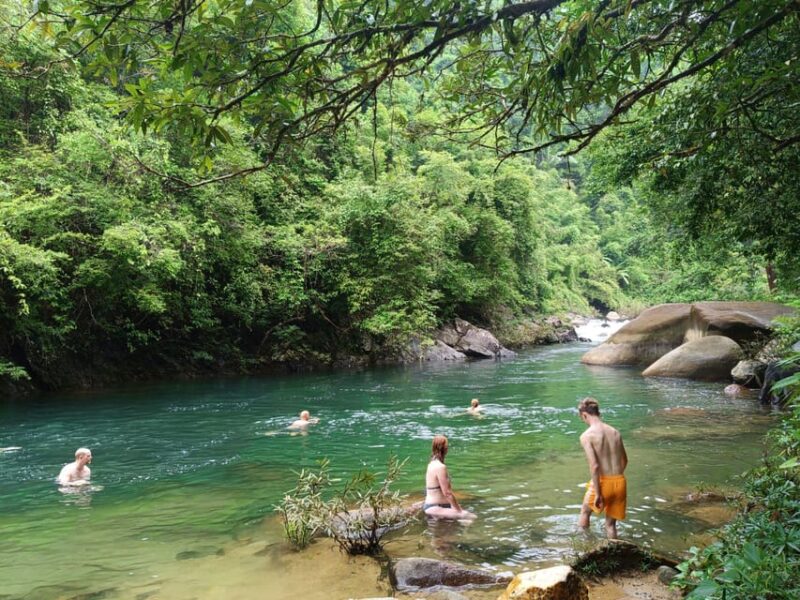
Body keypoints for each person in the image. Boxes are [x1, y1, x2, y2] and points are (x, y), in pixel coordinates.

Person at [577, 397, 628, 539]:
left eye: (583, 419)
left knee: (585, 512)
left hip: (602, 483)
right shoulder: (615, 432)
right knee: (610, 525)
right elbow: (625, 460)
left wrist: (599, 493)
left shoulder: (587, 436)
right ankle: (614, 552)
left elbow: (595, 466)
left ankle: (583, 547)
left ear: (584, 415)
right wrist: (615, 478)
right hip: (620, 482)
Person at [423, 435, 475, 519]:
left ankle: (459, 531)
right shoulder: (440, 467)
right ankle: (465, 531)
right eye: (447, 446)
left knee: (462, 518)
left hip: (434, 505)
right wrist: (459, 510)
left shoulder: (431, 463)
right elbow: (447, 493)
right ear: (444, 449)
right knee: (470, 517)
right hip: (435, 507)